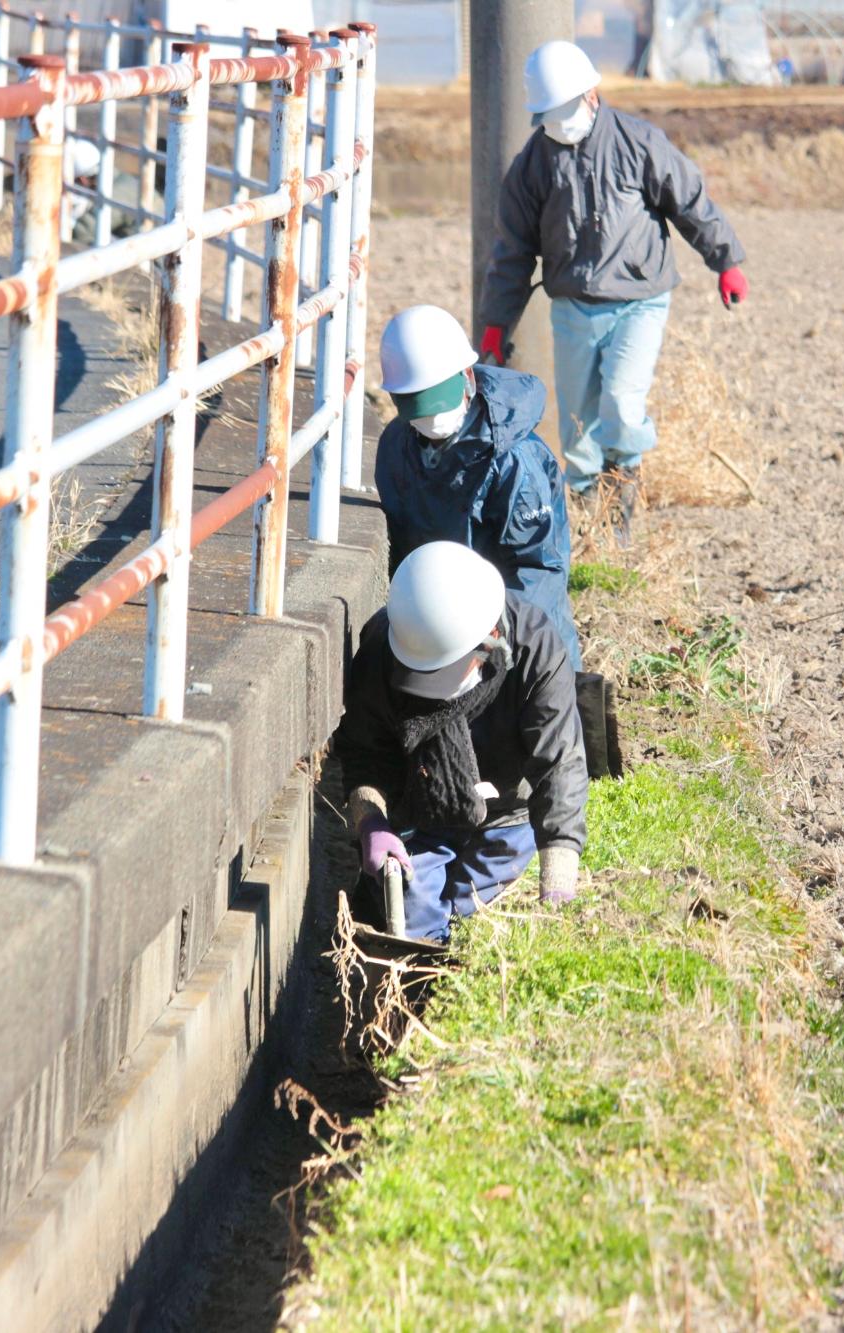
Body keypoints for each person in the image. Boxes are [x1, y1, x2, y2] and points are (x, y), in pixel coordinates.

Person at [478, 39, 749, 541]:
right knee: (578, 427)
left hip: (640, 300)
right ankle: (588, 521)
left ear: (591, 95)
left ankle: (623, 496)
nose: (559, 123)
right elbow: (513, 251)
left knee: (622, 404)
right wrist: (496, 324)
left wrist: (725, 261)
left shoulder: (639, 143)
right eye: (548, 115)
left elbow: (690, 202)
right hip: (573, 305)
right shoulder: (533, 165)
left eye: (565, 110)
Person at [336, 542, 586, 944]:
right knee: (413, 911)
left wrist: (558, 867)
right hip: (421, 802)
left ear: (490, 639)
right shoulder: (385, 647)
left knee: (469, 911)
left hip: (507, 812)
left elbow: (559, 762)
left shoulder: (534, 646)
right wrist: (371, 820)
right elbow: (366, 750)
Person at [375, 305, 581, 671]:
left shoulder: (514, 460)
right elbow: (401, 545)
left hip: (511, 635)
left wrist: (492, 637)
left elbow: (536, 570)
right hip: (434, 627)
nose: (431, 420)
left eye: (437, 404)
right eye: (418, 410)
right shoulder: (397, 446)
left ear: (467, 377)